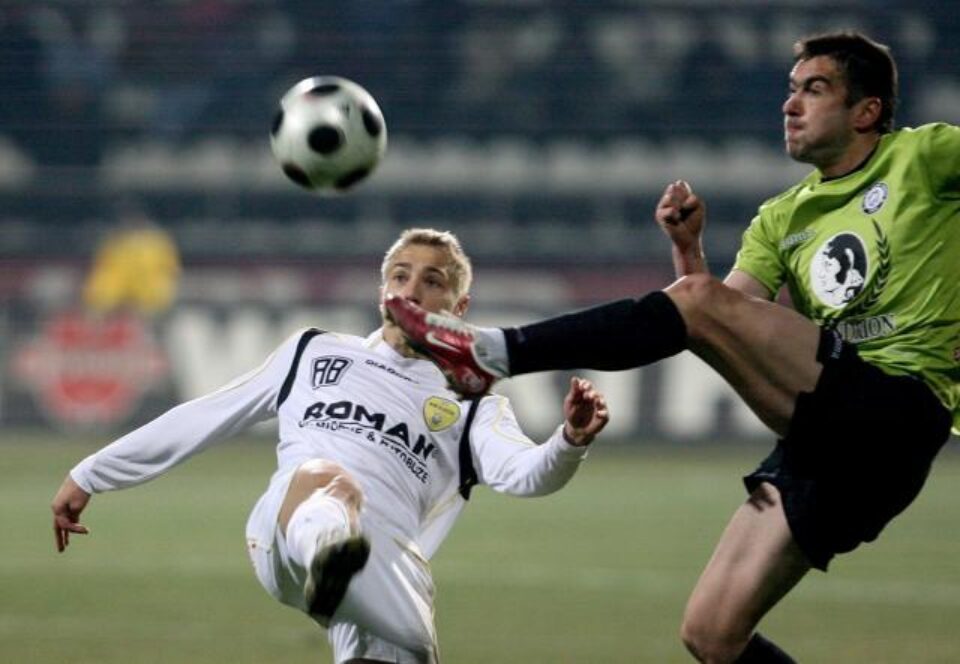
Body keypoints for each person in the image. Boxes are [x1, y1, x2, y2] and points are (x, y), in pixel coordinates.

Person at [385, 31, 959, 663]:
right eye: (791, 90)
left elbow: (709, 311)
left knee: (697, 302)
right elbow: (722, 317)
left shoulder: (925, 156)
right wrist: (688, 255)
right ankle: (490, 353)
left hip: (898, 411)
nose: (791, 105)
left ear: (867, 111)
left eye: (814, 89)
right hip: (826, 441)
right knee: (712, 636)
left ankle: (493, 352)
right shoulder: (782, 218)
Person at [52, 228, 610, 664]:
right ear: (381, 290)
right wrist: (94, 473)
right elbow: (209, 414)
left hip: (387, 568)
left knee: (411, 650)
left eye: (433, 281)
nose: (411, 290)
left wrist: (569, 440)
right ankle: (327, 553)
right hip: (285, 532)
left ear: (459, 309)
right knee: (328, 479)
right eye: (400, 275)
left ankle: (341, 572)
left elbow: (524, 474)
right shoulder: (313, 352)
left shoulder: (474, 401)